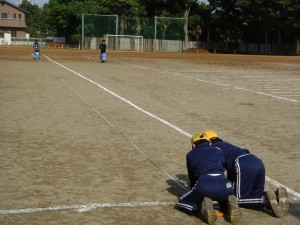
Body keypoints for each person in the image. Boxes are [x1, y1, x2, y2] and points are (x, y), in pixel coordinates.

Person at [204, 130, 289, 218]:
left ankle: (265, 200)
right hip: (257, 161)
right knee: (254, 195)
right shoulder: (227, 145)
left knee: (236, 200)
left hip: (242, 163)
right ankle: (276, 196)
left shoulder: (214, 148)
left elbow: (217, 171)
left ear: (209, 142)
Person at [176, 132, 242, 225]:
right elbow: (223, 168)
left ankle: (200, 207)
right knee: (221, 196)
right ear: (209, 142)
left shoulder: (190, 154)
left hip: (205, 183)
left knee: (181, 202)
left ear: (193, 145)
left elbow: (192, 177)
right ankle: (227, 204)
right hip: (225, 184)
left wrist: (196, 193)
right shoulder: (218, 150)